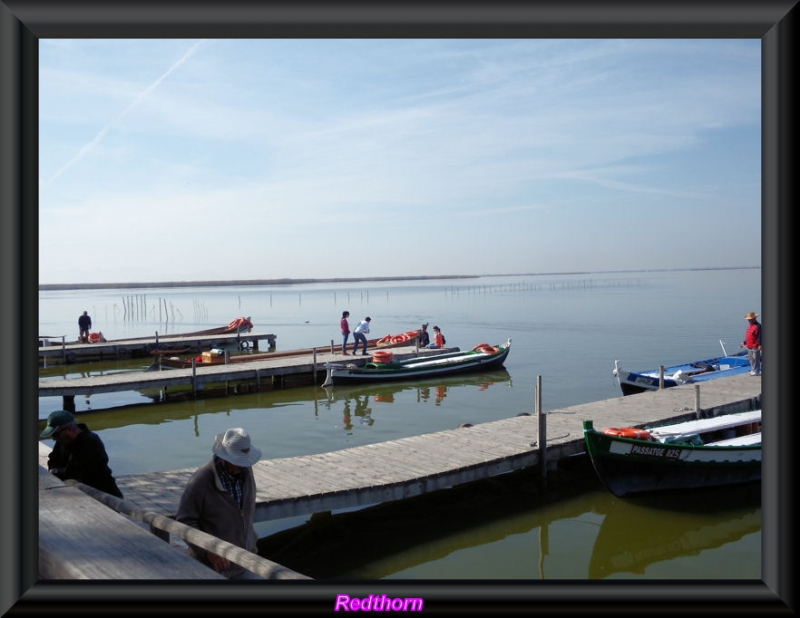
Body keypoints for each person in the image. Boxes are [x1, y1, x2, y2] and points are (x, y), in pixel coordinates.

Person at [176, 427, 264, 580]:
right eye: (237, 462)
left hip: (246, 561)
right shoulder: (201, 480)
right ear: (224, 458)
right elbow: (184, 521)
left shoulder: (246, 471)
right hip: (211, 568)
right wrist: (208, 549)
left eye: (244, 462)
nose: (242, 466)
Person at [40, 409, 123, 499]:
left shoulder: (90, 442)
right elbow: (53, 460)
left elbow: (79, 472)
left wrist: (56, 471)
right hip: (78, 492)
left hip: (102, 494)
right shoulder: (63, 440)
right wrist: (58, 470)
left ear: (69, 429)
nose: (54, 438)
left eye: (56, 434)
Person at [740, 311, 762, 376]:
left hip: (755, 345)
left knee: (756, 359)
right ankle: (753, 369)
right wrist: (743, 342)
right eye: (748, 319)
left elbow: (760, 336)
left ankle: (757, 371)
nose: (749, 321)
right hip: (749, 345)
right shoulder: (749, 326)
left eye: (750, 319)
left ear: (754, 319)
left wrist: (760, 345)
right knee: (751, 359)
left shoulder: (758, 326)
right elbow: (748, 336)